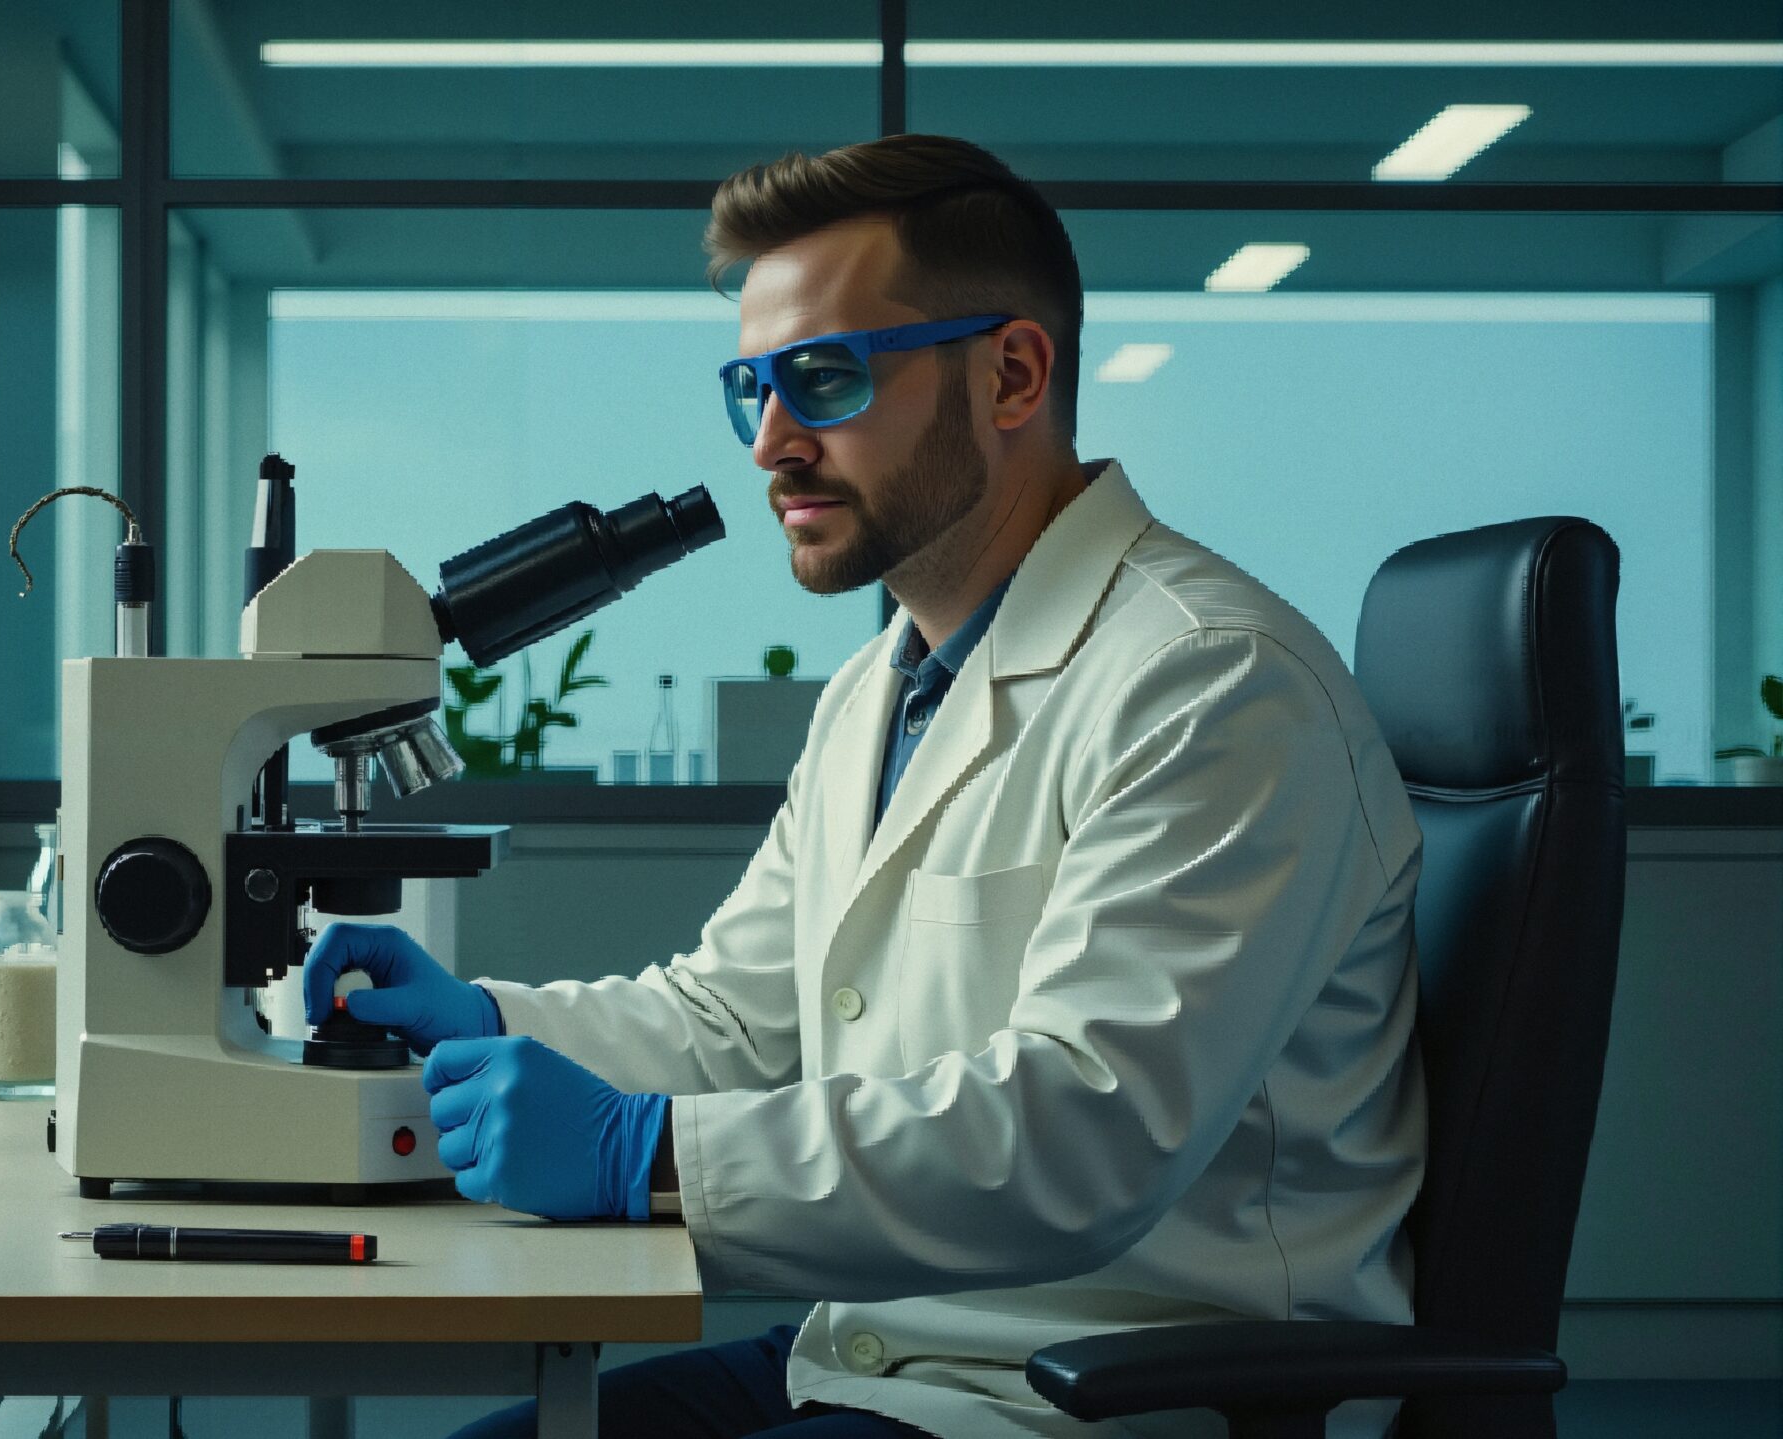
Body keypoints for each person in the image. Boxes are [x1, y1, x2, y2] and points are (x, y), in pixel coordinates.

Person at [304, 134, 1427, 1439]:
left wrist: (643, 1155)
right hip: (885, 1345)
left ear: (1012, 373)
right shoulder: (884, 686)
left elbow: (1082, 1136)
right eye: (750, 390)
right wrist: (480, 1022)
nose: (772, 442)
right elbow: (745, 1019)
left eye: (824, 380)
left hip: (1114, 1387)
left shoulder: (1211, 683)